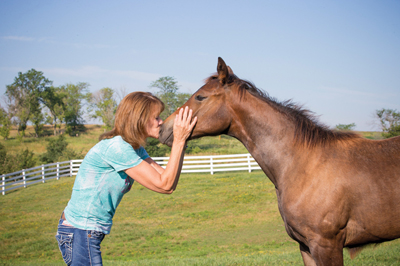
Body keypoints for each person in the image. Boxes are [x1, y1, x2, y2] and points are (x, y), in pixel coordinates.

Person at [55, 91, 197, 266]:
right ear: (139, 119)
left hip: (85, 230)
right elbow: (164, 185)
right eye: (156, 117)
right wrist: (179, 141)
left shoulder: (134, 148)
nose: (161, 121)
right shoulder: (118, 148)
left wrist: (181, 140)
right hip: (80, 230)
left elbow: (168, 180)